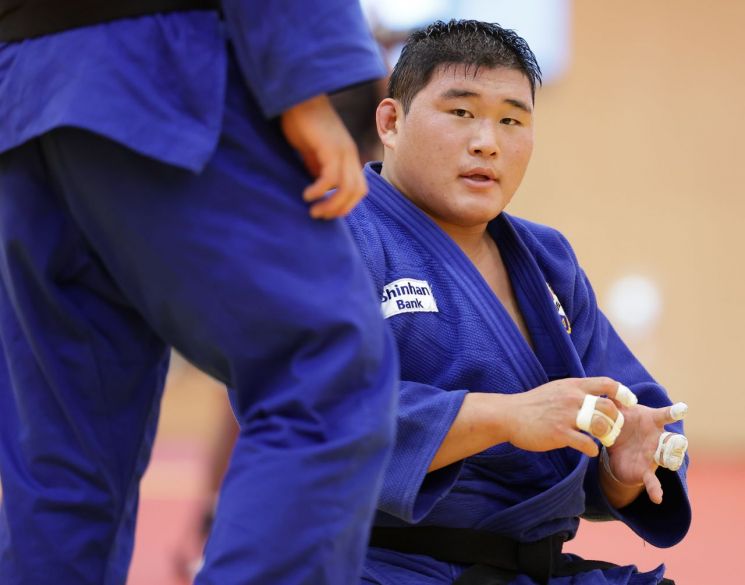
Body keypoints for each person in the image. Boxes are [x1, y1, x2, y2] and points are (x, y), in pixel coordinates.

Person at [0, 1, 398, 584]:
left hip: (20, 94)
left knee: (63, 462)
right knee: (326, 367)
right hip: (165, 64)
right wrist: (307, 75)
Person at [344, 20, 691, 585]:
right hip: (378, 566)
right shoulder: (338, 237)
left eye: (512, 119)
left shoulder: (546, 257)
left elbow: (611, 417)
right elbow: (311, 413)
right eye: (461, 113)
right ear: (391, 121)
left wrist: (621, 466)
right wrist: (506, 417)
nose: (488, 141)